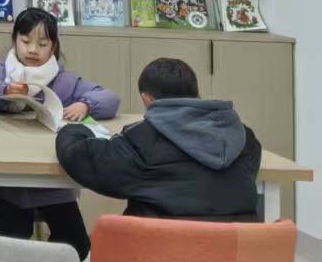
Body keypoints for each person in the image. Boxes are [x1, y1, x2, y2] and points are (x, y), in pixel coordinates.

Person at [0, 7, 119, 259]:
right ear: (14, 40)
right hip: (8, 180)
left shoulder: (64, 80)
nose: (33, 50)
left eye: (43, 44)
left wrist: (86, 104)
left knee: (77, 244)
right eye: (25, 41)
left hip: (50, 182)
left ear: (53, 46)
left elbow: (110, 98)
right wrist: (5, 90)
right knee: (10, 245)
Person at [55, 56, 261, 220]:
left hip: (160, 254)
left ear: (147, 100)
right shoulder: (243, 137)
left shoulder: (143, 142)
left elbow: (77, 155)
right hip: (233, 254)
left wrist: (76, 129)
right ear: (196, 93)